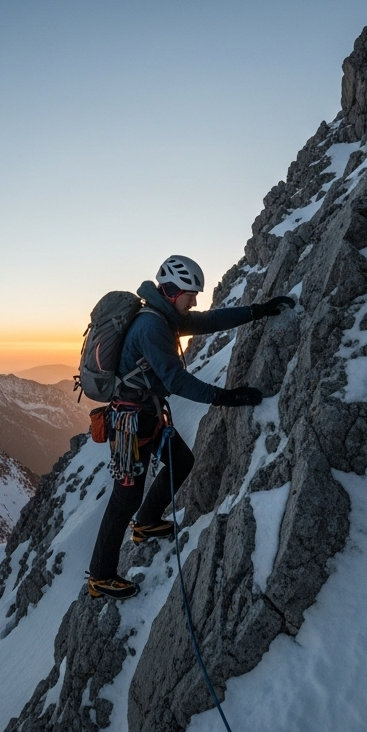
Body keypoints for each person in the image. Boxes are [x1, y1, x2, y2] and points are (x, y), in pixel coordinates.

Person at [87, 254, 295, 599]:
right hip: (131, 425)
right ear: (171, 292)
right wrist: (227, 397)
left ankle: (147, 522)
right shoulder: (152, 327)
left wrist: (257, 311)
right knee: (125, 498)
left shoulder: (163, 317)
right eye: (190, 294)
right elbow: (176, 380)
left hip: (145, 418)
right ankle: (101, 576)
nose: (194, 300)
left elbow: (207, 321)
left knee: (181, 462)